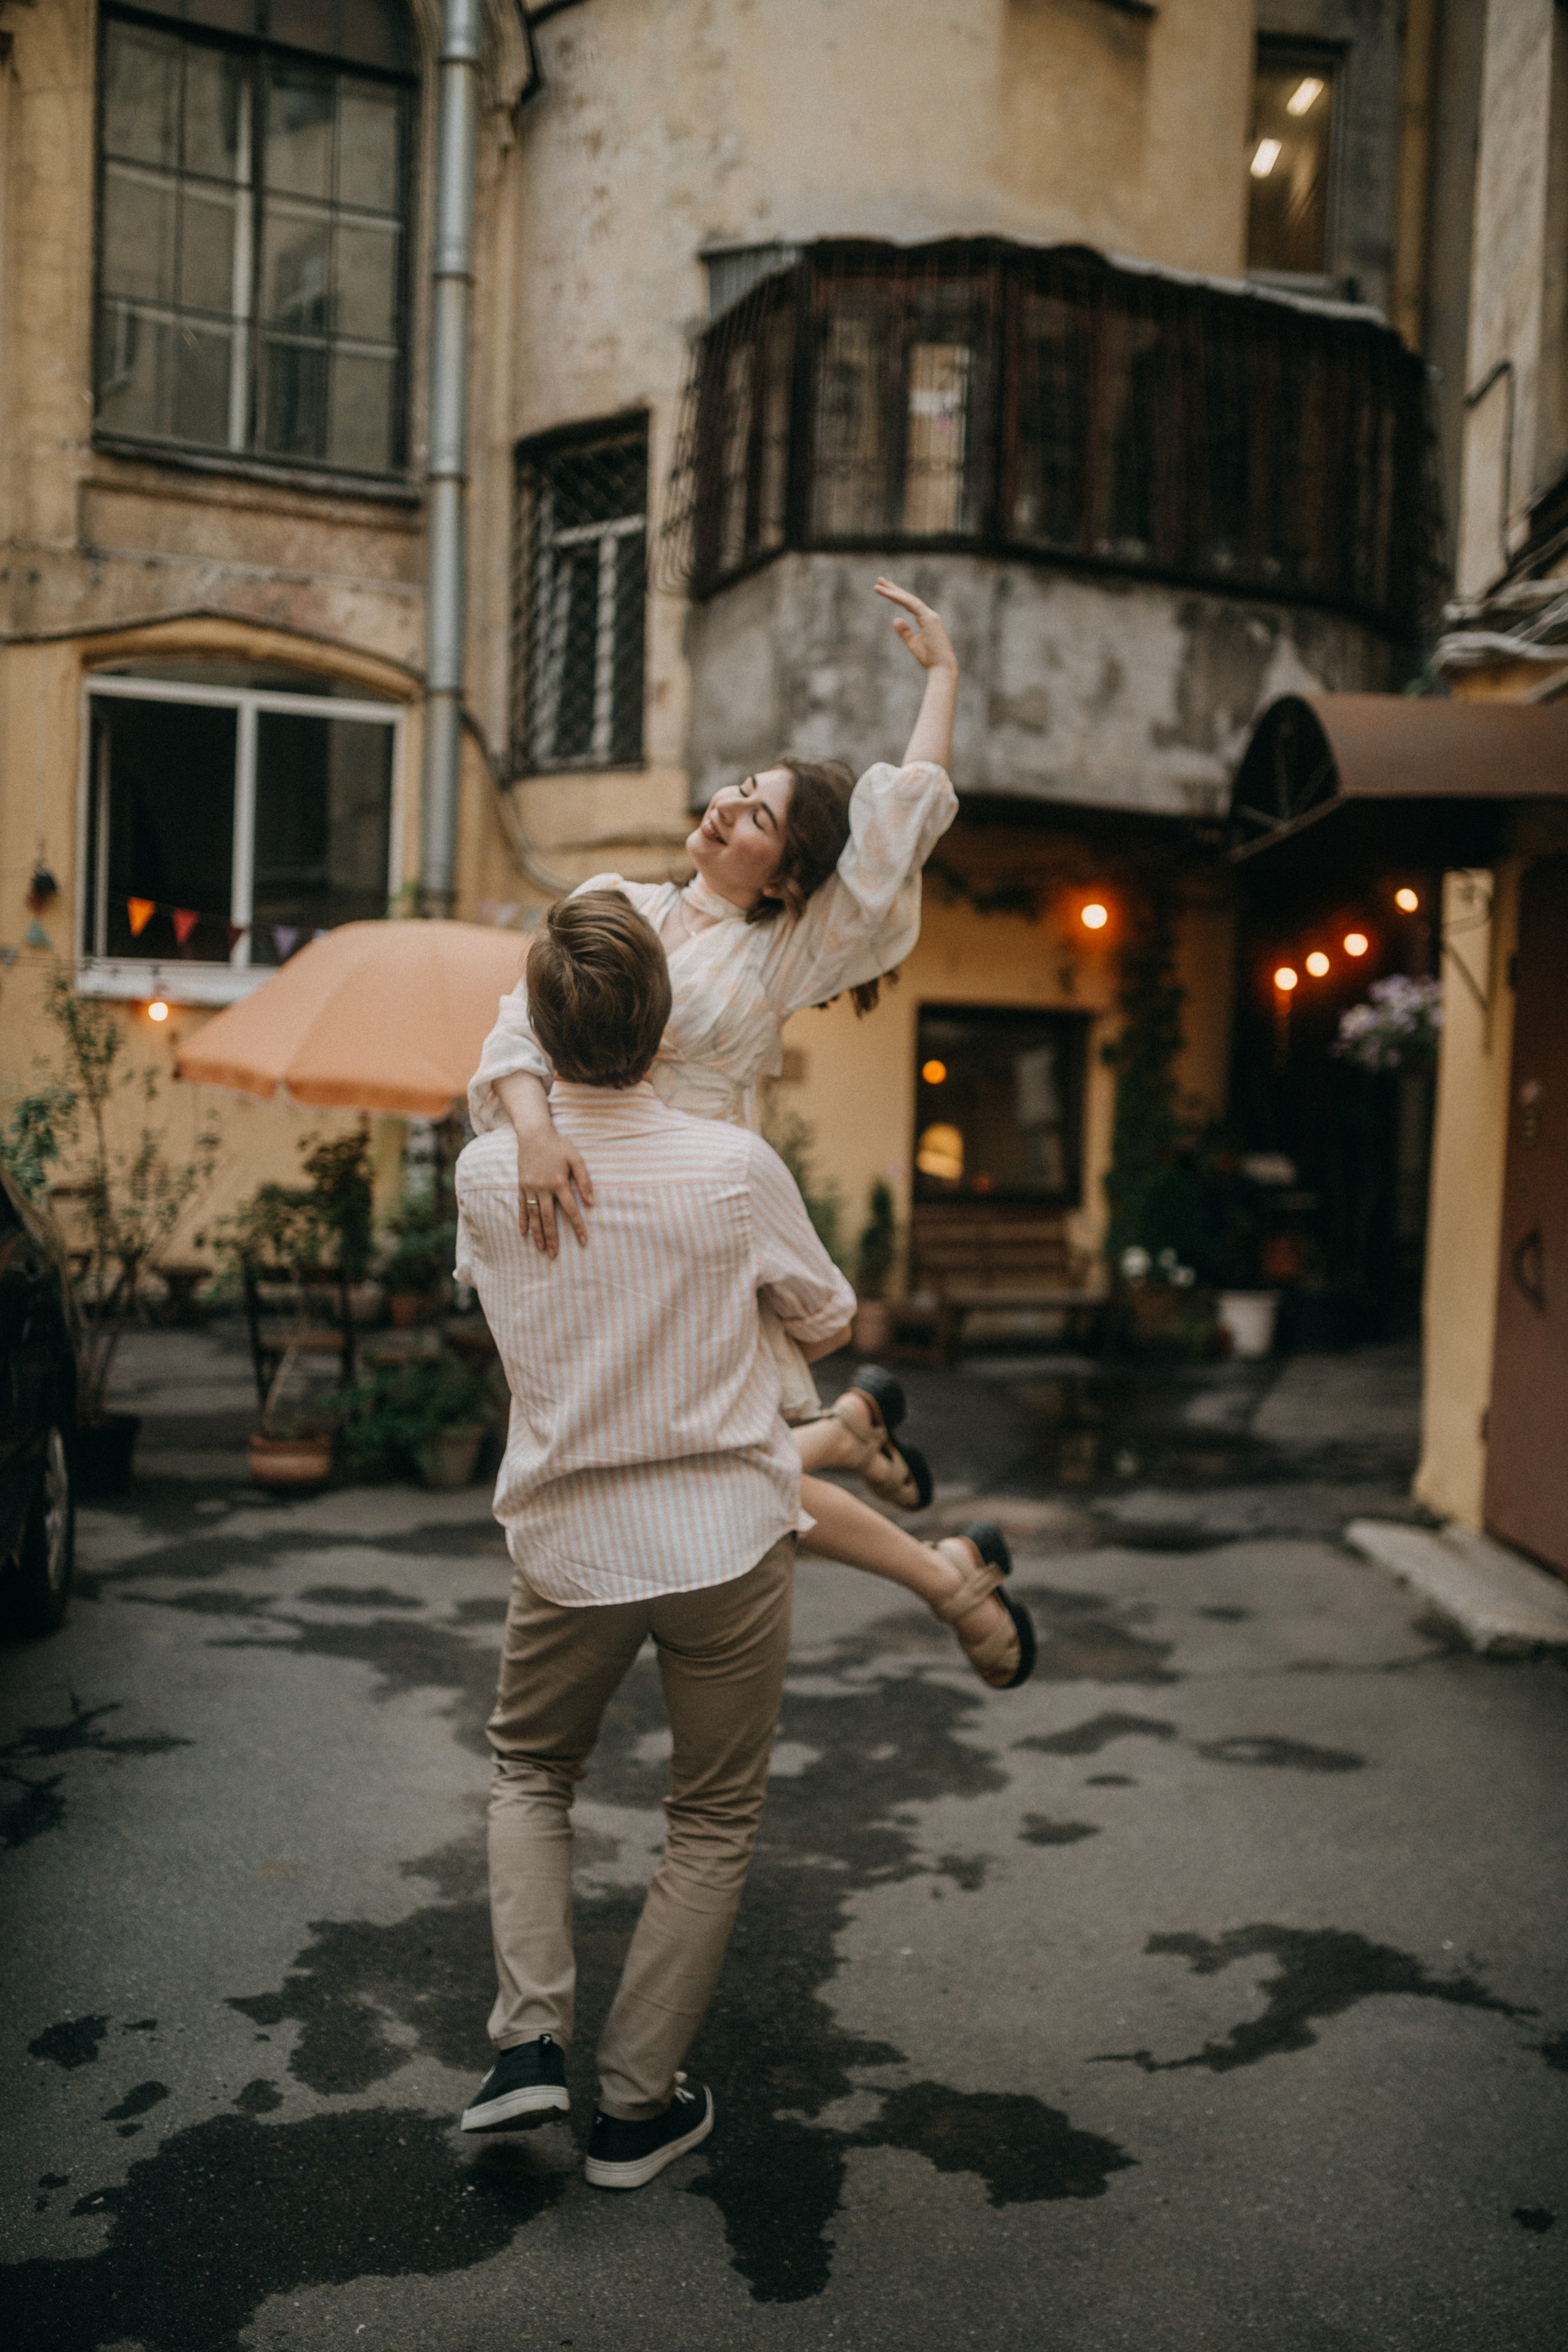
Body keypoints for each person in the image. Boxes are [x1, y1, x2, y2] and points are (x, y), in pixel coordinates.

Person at [455, 892, 1027, 2188]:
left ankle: (527, 2043)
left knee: (532, 1775)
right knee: (707, 1820)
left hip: (568, 1543)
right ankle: (636, 2107)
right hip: (724, 1538)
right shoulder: (729, 1167)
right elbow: (824, 1321)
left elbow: (498, 1254)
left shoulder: (490, 1170)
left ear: (536, 1032)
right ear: (662, 1028)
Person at [469, 577, 1035, 1694]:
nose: (726, 808)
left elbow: (893, 837)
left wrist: (943, 680)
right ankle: (891, 1485)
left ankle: (942, 1569)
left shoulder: (777, 955)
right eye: (735, 790)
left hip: (701, 1221)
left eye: (759, 815)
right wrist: (532, 1130)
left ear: (781, 877)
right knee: (726, 1466)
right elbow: (514, 1021)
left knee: (741, 1476)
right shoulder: (613, 899)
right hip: (589, 1208)